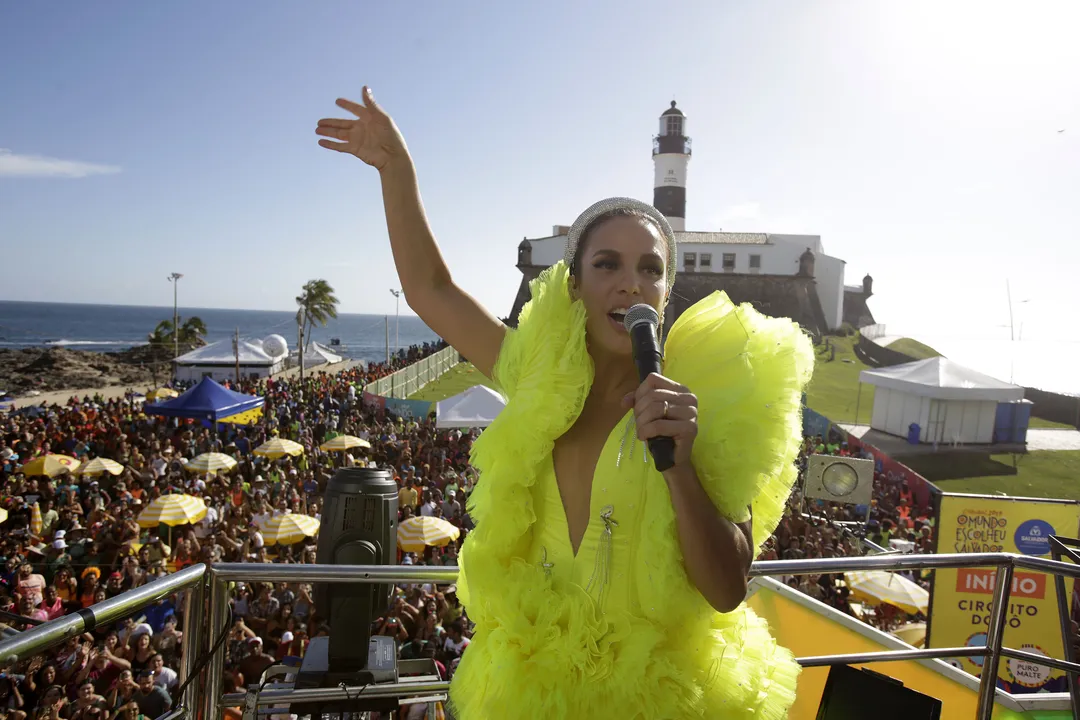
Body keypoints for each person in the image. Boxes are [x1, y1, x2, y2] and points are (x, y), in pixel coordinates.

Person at [318, 88, 814, 718]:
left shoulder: (703, 402)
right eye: (607, 264)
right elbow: (430, 288)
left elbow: (724, 590)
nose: (631, 281)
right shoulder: (535, 375)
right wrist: (396, 170)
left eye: (650, 269)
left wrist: (680, 465)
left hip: (664, 693)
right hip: (530, 687)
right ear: (575, 284)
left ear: (665, 291)